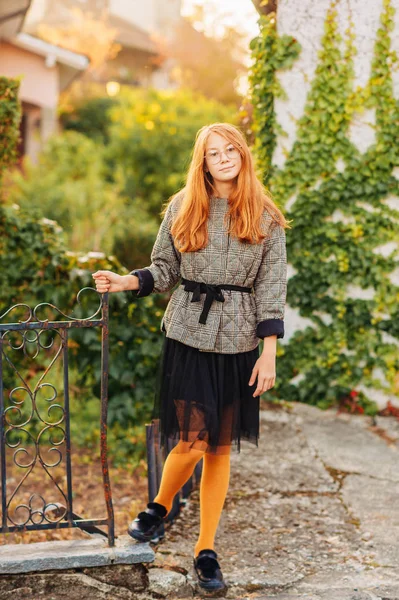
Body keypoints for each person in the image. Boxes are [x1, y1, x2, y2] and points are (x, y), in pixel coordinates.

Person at [92, 122, 289, 592]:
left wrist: (269, 354)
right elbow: (165, 268)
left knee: (218, 448)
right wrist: (127, 281)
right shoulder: (183, 207)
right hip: (188, 334)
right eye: (213, 153)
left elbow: (272, 288)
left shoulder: (265, 216)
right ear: (202, 162)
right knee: (193, 440)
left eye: (230, 149)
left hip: (240, 343)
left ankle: (205, 549)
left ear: (241, 154)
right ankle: (159, 506)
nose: (223, 158)